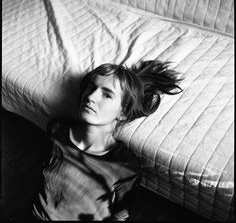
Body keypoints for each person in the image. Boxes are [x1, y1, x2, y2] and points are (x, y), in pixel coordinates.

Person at [29, 60, 183, 221]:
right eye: (91, 87)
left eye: (107, 94)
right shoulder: (57, 129)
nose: (91, 96)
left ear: (123, 113)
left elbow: (120, 215)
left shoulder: (124, 165)